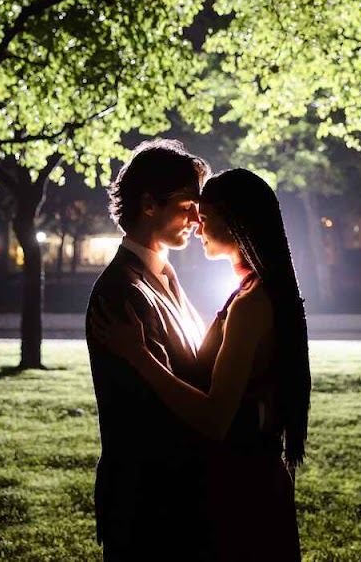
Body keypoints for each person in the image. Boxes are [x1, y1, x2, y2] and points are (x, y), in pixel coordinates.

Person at [92, 167, 309, 562]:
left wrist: (141, 357)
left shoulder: (251, 303)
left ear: (236, 224)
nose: (197, 225)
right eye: (191, 209)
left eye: (204, 216)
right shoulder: (250, 293)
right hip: (232, 484)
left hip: (241, 488)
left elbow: (215, 416)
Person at [85, 139, 214, 561]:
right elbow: (148, 407)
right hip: (148, 507)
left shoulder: (163, 277)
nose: (198, 219)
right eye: (187, 205)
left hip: (174, 498)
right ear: (149, 205)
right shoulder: (121, 293)